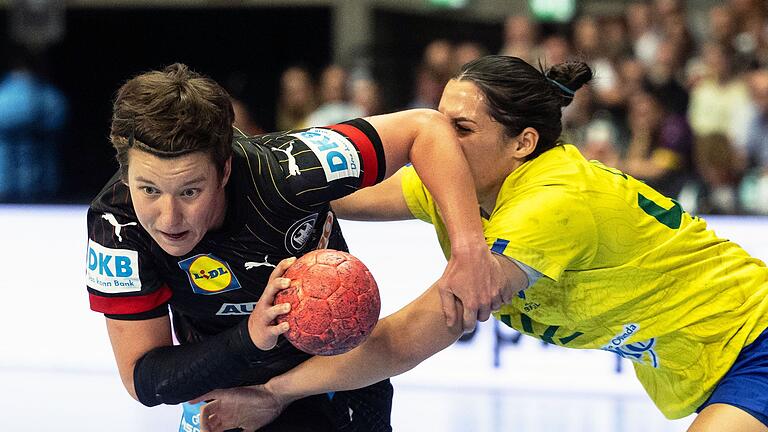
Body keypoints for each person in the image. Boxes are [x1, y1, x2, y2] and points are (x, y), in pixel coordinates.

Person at [196, 56, 768, 432]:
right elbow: (325, 189)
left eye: (461, 130)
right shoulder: (455, 183)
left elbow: (406, 338)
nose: (436, 142)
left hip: (755, 339)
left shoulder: (551, 205)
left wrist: (276, 393)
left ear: (522, 142)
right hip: (707, 363)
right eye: (438, 124)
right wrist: (228, 163)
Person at [84, 63, 503, 431]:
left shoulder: (288, 170)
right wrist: (251, 337)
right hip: (228, 388)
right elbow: (144, 380)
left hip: (339, 378)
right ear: (125, 175)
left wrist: (469, 250)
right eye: (149, 189)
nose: (168, 218)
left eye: (190, 191)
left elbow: (425, 128)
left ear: (225, 168)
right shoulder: (115, 224)